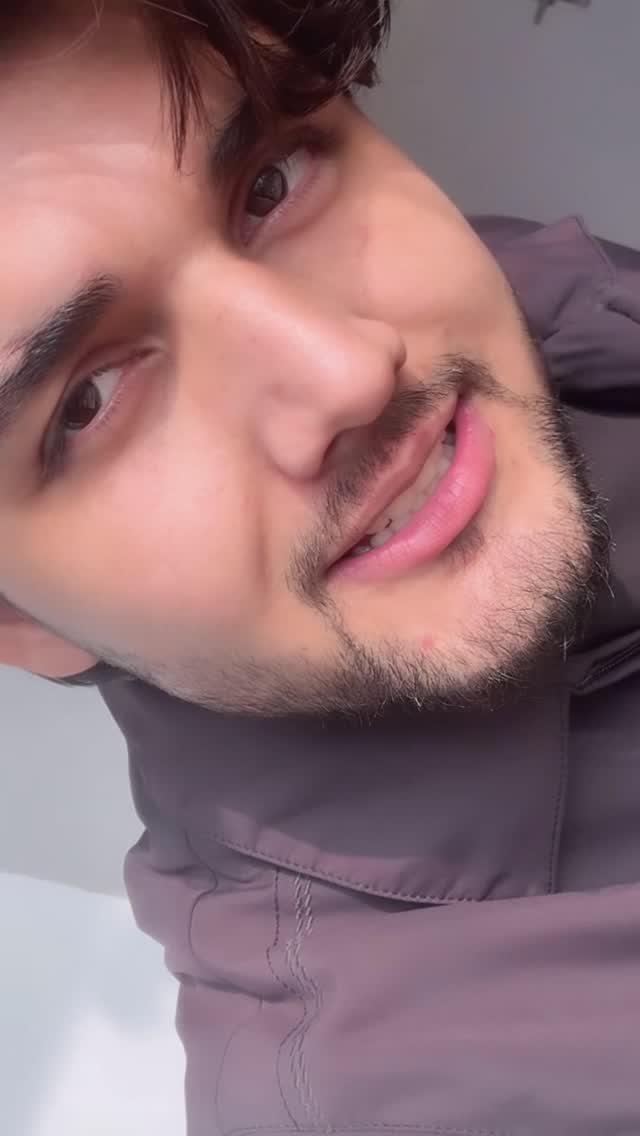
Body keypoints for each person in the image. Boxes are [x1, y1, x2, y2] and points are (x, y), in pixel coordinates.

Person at [1, 2, 639, 1133]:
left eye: (268, 183)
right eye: (87, 402)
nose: (347, 368)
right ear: (18, 623)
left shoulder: (504, 298)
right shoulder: (417, 1089)